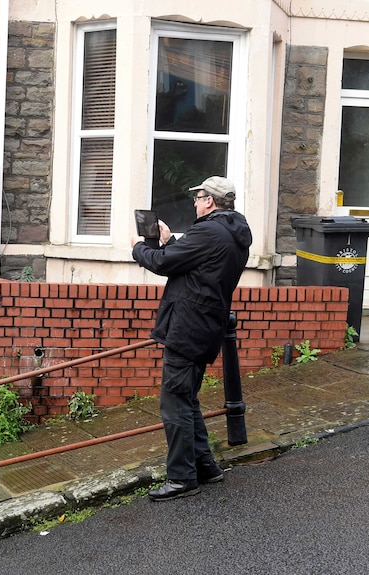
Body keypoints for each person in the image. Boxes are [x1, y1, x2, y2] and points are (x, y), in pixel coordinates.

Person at [131, 176, 252, 501]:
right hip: (207, 326)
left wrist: (140, 246)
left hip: (189, 329)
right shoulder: (233, 234)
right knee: (187, 399)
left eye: (198, 198)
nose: (195, 204)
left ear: (209, 201)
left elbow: (161, 264)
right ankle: (206, 467)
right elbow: (193, 269)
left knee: (173, 403)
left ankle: (182, 478)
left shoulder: (207, 232)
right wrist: (170, 242)